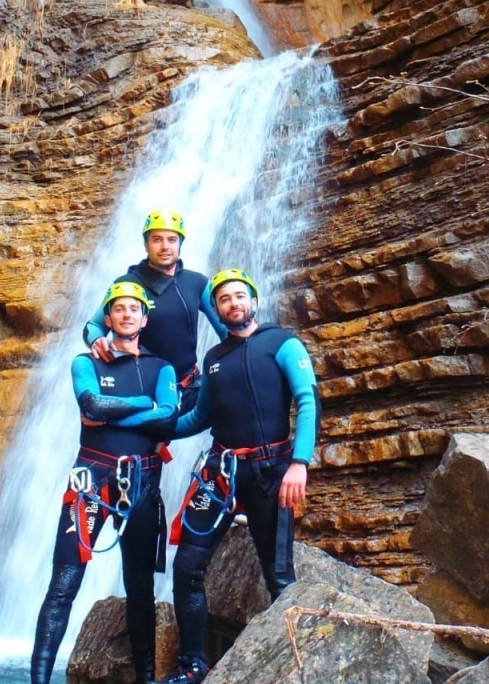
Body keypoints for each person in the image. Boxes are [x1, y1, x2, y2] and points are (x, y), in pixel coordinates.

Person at [154, 268, 319, 684]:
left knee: (279, 575)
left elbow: (307, 400)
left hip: (272, 471)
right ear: (217, 309)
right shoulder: (213, 360)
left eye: (238, 296)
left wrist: (299, 463)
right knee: (188, 566)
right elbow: (199, 416)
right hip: (220, 473)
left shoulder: (282, 343)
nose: (232, 304)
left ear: (253, 301)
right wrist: (154, 429)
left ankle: (299, 665)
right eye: (223, 299)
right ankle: (193, 664)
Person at [31, 282, 179, 684]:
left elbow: (168, 419)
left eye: (134, 309)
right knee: (64, 581)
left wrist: (115, 415)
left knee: (139, 584)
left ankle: (147, 676)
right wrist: (143, 404)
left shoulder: (161, 368)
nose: (127, 315)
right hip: (91, 483)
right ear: (108, 318)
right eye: (119, 309)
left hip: (141, 482)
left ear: (144, 319)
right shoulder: (85, 363)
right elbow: (91, 404)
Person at [83, 210, 225, 412]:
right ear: (146, 244)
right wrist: (97, 340)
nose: (165, 246)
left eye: (172, 239)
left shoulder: (197, 283)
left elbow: (227, 329)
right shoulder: (127, 283)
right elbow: (93, 326)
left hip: (190, 387)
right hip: (142, 390)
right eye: (157, 239)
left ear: (180, 244)